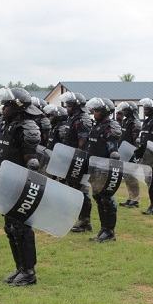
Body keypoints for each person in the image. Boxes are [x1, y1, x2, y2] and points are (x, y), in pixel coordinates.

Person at [0, 87, 41, 286]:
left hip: (20, 184)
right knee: (10, 228)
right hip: (6, 181)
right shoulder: (9, 125)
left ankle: (29, 272)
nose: (3, 108)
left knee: (21, 228)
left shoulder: (27, 128)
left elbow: (31, 163)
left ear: (17, 107)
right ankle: (20, 268)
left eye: (6, 105)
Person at [85, 98, 122, 242]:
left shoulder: (111, 127)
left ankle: (110, 231)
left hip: (105, 169)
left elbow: (113, 151)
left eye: (96, 111)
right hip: (94, 167)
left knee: (106, 199)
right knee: (98, 198)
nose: (94, 113)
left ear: (104, 111)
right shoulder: (97, 126)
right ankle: (103, 228)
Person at [60, 91, 93, 232]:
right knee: (72, 189)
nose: (67, 108)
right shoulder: (72, 118)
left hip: (79, 161)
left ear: (76, 106)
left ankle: (85, 222)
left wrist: (77, 162)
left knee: (82, 190)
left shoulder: (83, 120)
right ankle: (78, 217)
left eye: (69, 106)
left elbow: (82, 144)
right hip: (70, 158)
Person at [116, 102, 142, 208]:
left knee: (131, 176)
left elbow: (135, 140)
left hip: (131, 152)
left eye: (126, 110)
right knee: (126, 176)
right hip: (124, 151)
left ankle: (135, 200)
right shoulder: (126, 121)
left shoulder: (135, 123)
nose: (124, 112)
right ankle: (130, 197)